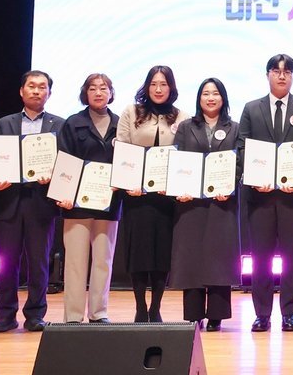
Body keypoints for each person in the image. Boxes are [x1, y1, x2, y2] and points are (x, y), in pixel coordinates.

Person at [236, 54, 293, 332]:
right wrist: (253, 178)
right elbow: (243, 146)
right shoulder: (252, 108)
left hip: (292, 195)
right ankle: (262, 313)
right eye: (276, 71)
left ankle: (289, 313)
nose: (281, 76)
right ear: (268, 75)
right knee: (260, 256)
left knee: (292, 255)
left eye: (287, 71)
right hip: (259, 195)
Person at [0, 70, 65, 333]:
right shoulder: (4, 123)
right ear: (22, 91)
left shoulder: (59, 124)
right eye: (31, 86)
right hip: (9, 200)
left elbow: (64, 162)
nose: (36, 91)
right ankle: (5, 315)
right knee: (7, 262)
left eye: (42, 87)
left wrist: (53, 175)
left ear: (49, 93)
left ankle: (35, 313)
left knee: (39, 261)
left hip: (41, 202)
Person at [116, 65, 189, 322]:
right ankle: (139, 306)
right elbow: (122, 149)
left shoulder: (182, 116)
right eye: (154, 84)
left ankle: (155, 307)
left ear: (171, 87)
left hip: (166, 197)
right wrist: (128, 183)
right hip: (136, 196)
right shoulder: (131, 112)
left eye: (164, 84)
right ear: (147, 87)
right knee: (138, 252)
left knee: (161, 254)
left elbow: (185, 155)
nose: (158, 89)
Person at [171, 77, 241, 331]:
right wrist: (179, 188)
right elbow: (177, 160)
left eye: (215, 93)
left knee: (219, 257)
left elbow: (240, 162)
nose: (210, 98)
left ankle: (216, 315)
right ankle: (194, 313)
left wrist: (229, 186)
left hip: (222, 202)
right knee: (192, 256)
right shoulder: (186, 127)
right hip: (191, 203)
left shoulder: (235, 128)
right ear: (199, 98)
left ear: (223, 98)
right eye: (205, 94)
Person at [56, 73, 121, 323]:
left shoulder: (120, 124)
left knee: (103, 260)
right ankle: (73, 316)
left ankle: (98, 313)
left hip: (109, 203)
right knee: (75, 262)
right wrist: (64, 195)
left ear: (111, 93)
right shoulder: (73, 123)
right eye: (92, 88)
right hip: (76, 204)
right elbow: (64, 160)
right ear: (85, 93)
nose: (98, 92)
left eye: (103, 88)